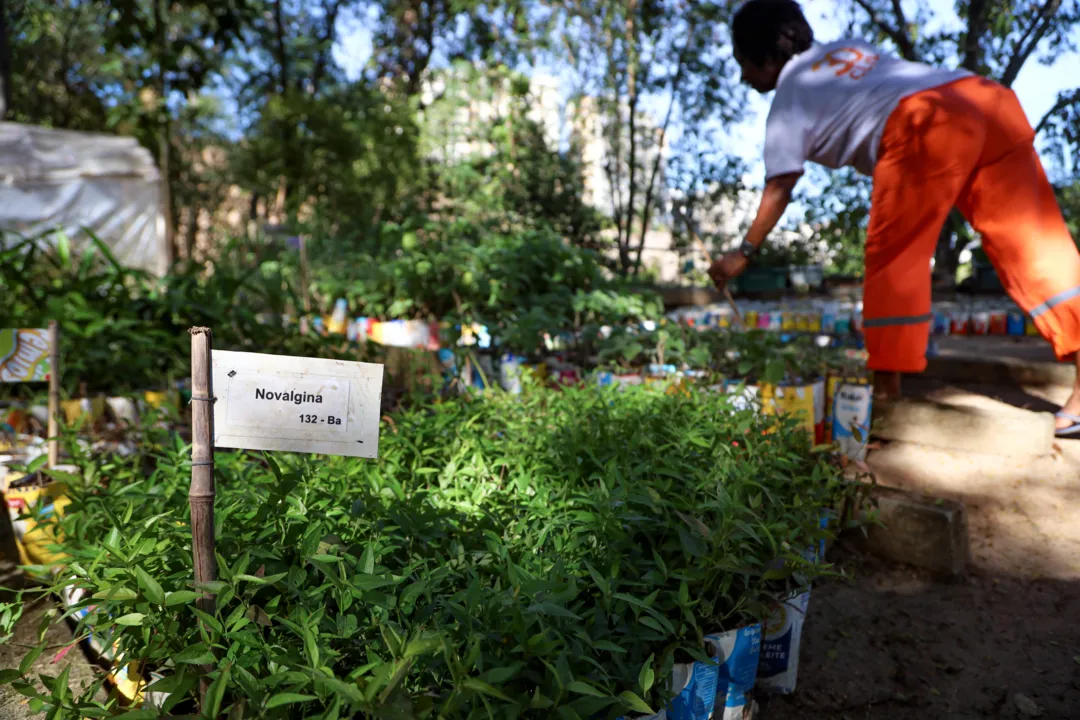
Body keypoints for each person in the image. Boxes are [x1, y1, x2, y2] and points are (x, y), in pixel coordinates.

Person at [709, 0, 1080, 438]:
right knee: (1034, 246)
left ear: (768, 57)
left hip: (927, 122)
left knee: (893, 258)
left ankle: (887, 402)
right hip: (986, 99)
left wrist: (744, 253)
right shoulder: (847, 50)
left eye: (744, 63)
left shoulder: (790, 97)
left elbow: (780, 186)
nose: (744, 77)